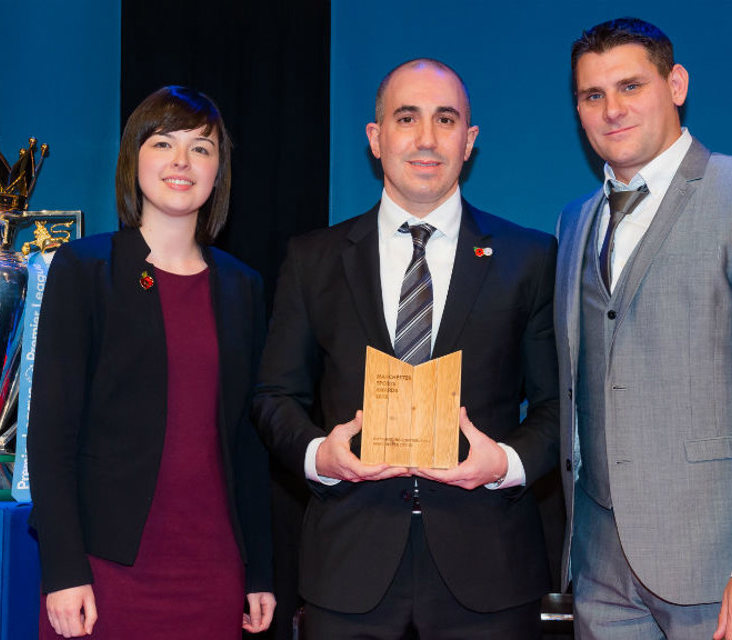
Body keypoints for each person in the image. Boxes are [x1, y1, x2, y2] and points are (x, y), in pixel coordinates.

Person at [253, 59, 559, 639]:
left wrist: (507, 464)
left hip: (488, 571)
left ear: (468, 142)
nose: (425, 139)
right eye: (406, 118)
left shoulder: (530, 259)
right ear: (376, 138)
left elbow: (557, 406)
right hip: (348, 570)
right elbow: (274, 395)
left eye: (445, 120)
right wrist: (320, 454)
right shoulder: (313, 259)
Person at [554, 18, 732, 640]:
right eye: (593, 96)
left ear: (675, 84)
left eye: (631, 86)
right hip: (598, 564)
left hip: (719, 566)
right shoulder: (575, 221)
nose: (612, 109)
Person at [28, 86, 275, 639]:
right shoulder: (85, 268)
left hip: (214, 571)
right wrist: (63, 570)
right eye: (164, 142)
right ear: (133, 158)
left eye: (202, 148)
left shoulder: (243, 287)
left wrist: (260, 569)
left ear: (219, 171)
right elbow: (50, 435)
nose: (182, 161)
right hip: (102, 573)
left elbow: (248, 444)